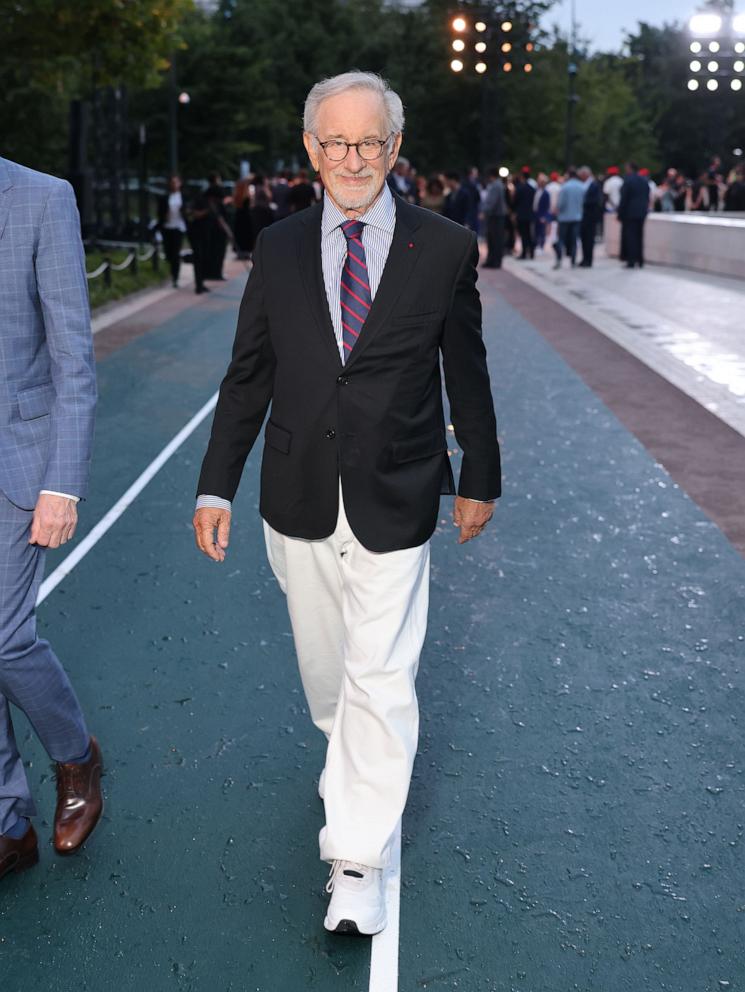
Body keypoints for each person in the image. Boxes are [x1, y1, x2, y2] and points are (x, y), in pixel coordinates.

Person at [192, 71, 500, 937]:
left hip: (399, 492)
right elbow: (249, 371)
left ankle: (356, 857)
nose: (353, 158)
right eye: (336, 142)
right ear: (310, 151)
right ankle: (350, 759)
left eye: (370, 142)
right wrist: (216, 480)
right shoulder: (279, 244)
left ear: (394, 149)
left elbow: (465, 371)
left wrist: (478, 472)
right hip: (293, 496)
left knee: (380, 674)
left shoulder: (443, 247)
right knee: (331, 681)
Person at [0, 157, 104, 881]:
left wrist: (62, 483)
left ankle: (76, 758)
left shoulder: (40, 197)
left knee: (4, 639)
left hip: (19, 462)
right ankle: (9, 825)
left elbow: (73, 352)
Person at [157, 174, 188, 287]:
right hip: (167, 227)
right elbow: (159, 213)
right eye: (172, 182)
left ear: (180, 183)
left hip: (178, 228)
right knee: (169, 253)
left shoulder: (183, 197)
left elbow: (187, 212)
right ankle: (170, 271)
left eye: (176, 182)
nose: (174, 185)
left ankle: (175, 277)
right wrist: (165, 216)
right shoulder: (165, 198)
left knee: (176, 253)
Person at [618, 161, 649, 268]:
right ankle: (640, 260)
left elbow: (624, 199)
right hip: (641, 212)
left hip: (630, 213)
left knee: (631, 237)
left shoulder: (629, 181)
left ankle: (631, 260)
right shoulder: (644, 181)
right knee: (639, 236)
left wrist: (620, 213)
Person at [553, 167, 584, 269]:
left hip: (564, 217)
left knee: (561, 240)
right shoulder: (581, 186)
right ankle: (573, 261)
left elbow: (561, 204)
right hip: (577, 217)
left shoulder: (565, 187)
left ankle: (558, 260)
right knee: (574, 241)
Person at [204, 172, 231, 280]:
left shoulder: (207, 191)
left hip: (211, 224)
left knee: (212, 249)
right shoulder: (217, 190)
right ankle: (217, 273)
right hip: (218, 224)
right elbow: (219, 209)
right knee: (219, 250)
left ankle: (210, 272)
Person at [482, 166, 507, 268]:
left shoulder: (496, 185)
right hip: (497, 216)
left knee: (494, 240)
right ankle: (493, 261)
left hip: (495, 216)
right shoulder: (498, 184)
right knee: (494, 239)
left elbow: (492, 202)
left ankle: (494, 261)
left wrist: (485, 211)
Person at [578, 166, 602, 267]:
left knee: (589, 239)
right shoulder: (584, 185)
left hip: (590, 216)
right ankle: (585, 258)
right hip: (583, 216)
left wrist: (583, 202)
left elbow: (596, 201)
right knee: (584, 239)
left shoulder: (594, 185)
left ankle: (588, 260)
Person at [513, 171, 535, 259]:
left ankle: (524, 253)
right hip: (529, 214)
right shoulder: (532, 189)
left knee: (523, 234)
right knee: (529, 234)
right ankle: (532, 252)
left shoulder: (519, 188)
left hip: (521, 214)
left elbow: (515, 201)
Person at [533, 173, 551, 251]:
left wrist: (544, 216)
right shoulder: (536, 191)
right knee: (536, 230)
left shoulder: (546, 193)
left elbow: (547, 205)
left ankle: (541, 245)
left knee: (542, 231)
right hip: (535, 213)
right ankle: (536, 244)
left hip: (542, 214)